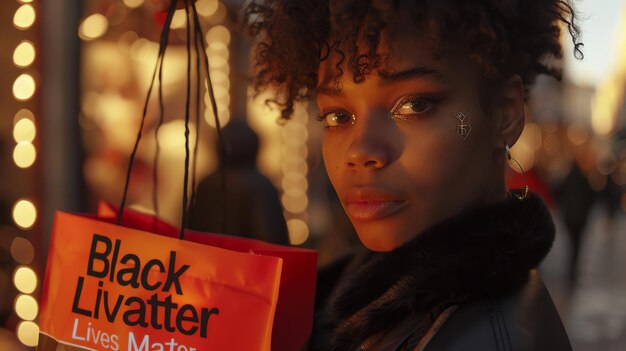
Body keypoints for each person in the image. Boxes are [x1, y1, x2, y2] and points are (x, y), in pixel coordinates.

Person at [245, 0, 583, 350]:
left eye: (414, 105)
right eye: (337, 116)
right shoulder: (362, 292)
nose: (360, 151)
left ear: (504, 114)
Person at [188, 119, 290, 245]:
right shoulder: (261, 185)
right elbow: (272, 239)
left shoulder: (205, 183)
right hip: (251, 262)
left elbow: (191, 230)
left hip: (206, 261)